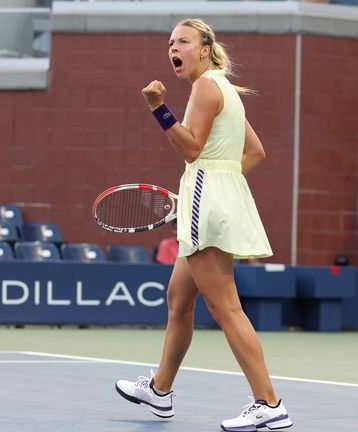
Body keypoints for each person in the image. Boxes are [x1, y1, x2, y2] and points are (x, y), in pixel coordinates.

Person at [114, 18, 292, 432]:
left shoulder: (206, 87)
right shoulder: (225, 88)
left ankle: (269, 403)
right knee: (179, 300)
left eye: (183, 41)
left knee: (225, 306)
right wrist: (218, 186)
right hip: (216, 197)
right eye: (170, 42)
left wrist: (158, 108)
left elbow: (192, 149)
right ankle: (160, 391)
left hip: (206, 201)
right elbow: (255, 152)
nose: (173, 48)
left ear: (206, 48)